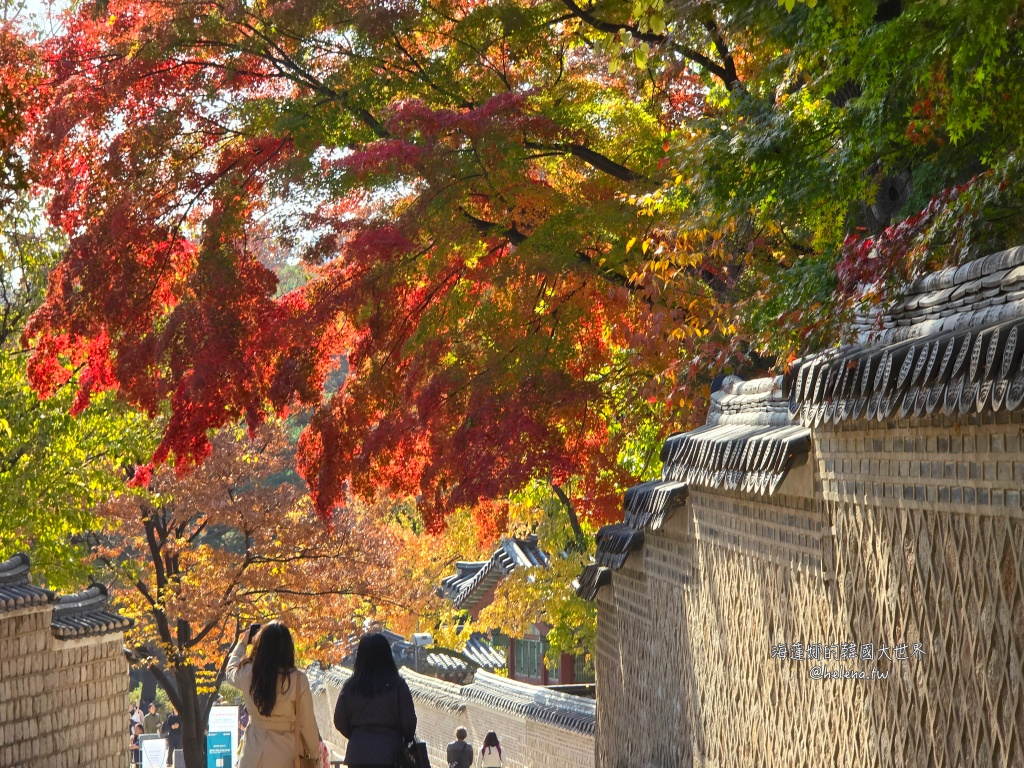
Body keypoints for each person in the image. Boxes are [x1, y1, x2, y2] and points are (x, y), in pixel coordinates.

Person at [226, 621, 322, 768]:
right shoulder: (297, 679)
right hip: (287, 755)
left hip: (253, 753)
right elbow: (307, 723)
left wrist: (243, 642)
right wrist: (315, 756)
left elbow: (230, 670)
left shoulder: (248, 673)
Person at [333, 633, 416, 768]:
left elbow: (339, 721)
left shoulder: (351, 687)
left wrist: (357, 735)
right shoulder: (398, 685)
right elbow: (408, 722)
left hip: (358, 754)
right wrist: (404, 739)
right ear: (387, 656)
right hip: (391, 754)